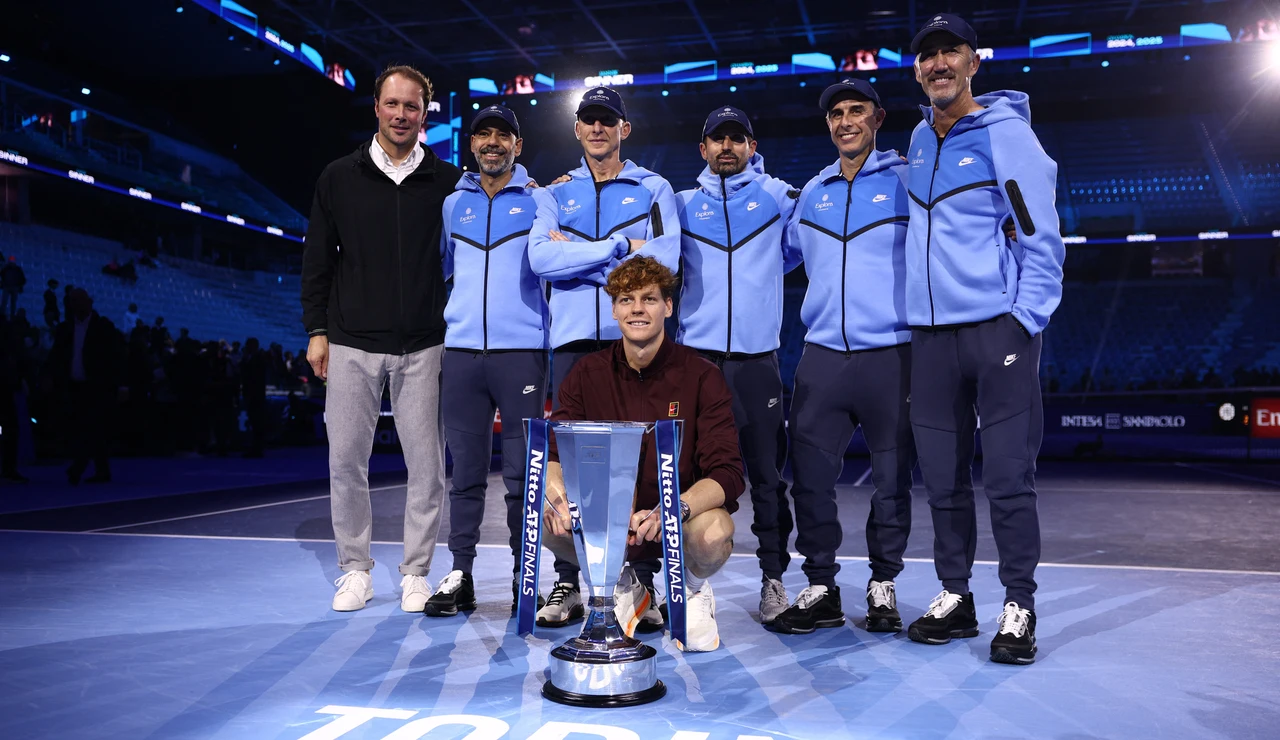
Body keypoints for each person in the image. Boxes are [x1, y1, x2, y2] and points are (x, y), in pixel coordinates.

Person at [903, 14, 1066, 665]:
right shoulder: (918, 138)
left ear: (974, 61)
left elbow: (1038, 232)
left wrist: (1025, 320)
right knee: (942, 480)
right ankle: (956, 595)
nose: (939, 63)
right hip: (931, 339)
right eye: (928, 55)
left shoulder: (1006, 135)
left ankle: (1019, 603)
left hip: (997, 331)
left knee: (1006, 478)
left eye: (951, 52)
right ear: (917, 69)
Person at [301, 63, 462, 613]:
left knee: (426, 466)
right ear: (376, 107)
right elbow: (317, 260)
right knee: (345, 460)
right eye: (392, 104)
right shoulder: (337, 177)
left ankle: (416, 570)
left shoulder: (447, 183)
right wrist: (317, 331)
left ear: (424, 113)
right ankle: (354, 569)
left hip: (424, 343)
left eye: (411, 106)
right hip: (349, 341)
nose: (401, 114)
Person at [528, 86, 680, 628]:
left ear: (624, 129)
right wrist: (617, 248)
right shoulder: (553, 192)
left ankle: (641, 583)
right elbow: (541, 257)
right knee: (569, 468)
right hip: (572, 345)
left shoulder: (655, 187)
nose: (597, 129)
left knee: (638, 468)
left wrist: (577, 253)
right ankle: (568, 581)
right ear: (577, 130)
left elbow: (666, 256)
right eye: (588, 120)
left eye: (607, 121)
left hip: (635, 346)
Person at [775, 79, 919, 635]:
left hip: (892, 354)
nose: (845, 120)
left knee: (892, 480)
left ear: (877, 118)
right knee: (808, 477)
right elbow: (778, 254)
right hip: (822, 357)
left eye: (856, 110)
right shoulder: (812, 192)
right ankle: (821, 585)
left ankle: (882, 584)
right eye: (836, 113)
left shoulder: (908, 179)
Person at [541, 256, 743, 652]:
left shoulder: (702, 376)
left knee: (716, 531)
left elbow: (728, 473)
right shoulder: (586, 374)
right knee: (545, 517)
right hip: (607, 521)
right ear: (614, 309)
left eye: (649, 299)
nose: (637, 308)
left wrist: (673, 509)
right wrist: (560, 500)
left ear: (668, 307)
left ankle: (692, 588)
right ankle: (622, 582)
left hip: (677, 519)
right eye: (626, 299)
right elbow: (553, 454)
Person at [673, 105, 802, 627]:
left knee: (768, 478)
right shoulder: (679, 205)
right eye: (717, 139)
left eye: (737, 139)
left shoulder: (777, 196)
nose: (727, 147)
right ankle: (683, 583)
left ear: (752, 147)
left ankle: (773, 581)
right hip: (695, 364)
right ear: (702, 149)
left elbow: (797, 249)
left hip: (755, 363)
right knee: (685, 475)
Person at [425, 106, 554, 617]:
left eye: (504, 135)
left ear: (518, 146)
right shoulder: (452, 205)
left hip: (520, 355)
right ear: (471, 144)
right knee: (466, 474)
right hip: (461, 355)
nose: (493, 142)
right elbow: (443, 267)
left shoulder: (542, 200)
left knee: (524, 476)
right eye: (484, 134)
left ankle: (527, 575)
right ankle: (460, 572)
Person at [45, 289, 127, 484]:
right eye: (72, 301)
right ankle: (101, 470)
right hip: (74, 386)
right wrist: (49, 376)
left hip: (98, 386)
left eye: (79, 300)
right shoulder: (65, 328)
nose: (75, 305)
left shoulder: (103, 326)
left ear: (89, 302)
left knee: (92, 427)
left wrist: (119, 384)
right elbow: (56, 355)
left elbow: (117, 356)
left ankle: (79, 467)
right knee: (88, 429)